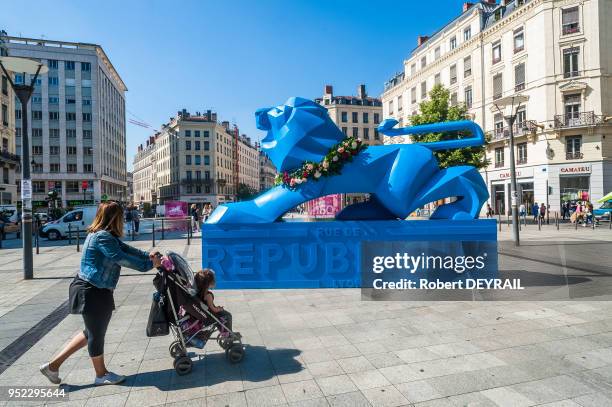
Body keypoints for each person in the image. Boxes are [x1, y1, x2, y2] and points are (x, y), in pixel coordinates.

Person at [39, 202, 162, 386]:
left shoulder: (103, 235)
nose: (123, 220)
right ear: (115, 218)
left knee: (90, 332)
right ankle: (101, 374)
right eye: (121, 217)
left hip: (93, 288)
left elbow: (127, 250)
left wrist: (148, 255)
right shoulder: (103, 237)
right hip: (92, 290)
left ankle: (53, 366)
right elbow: (122, 258)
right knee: (96, 334)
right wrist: (149, 265)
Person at [195, 269, 232, 334]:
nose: (215, 281)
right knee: (228, 315)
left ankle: (226, 332)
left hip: (207, 313)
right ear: (208, 284)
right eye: (214, 280)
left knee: (225, 314)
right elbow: (213, 309)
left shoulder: (200, 292)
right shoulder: (208, 296)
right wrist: (220, 309)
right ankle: (227, 333)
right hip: (211, 316)